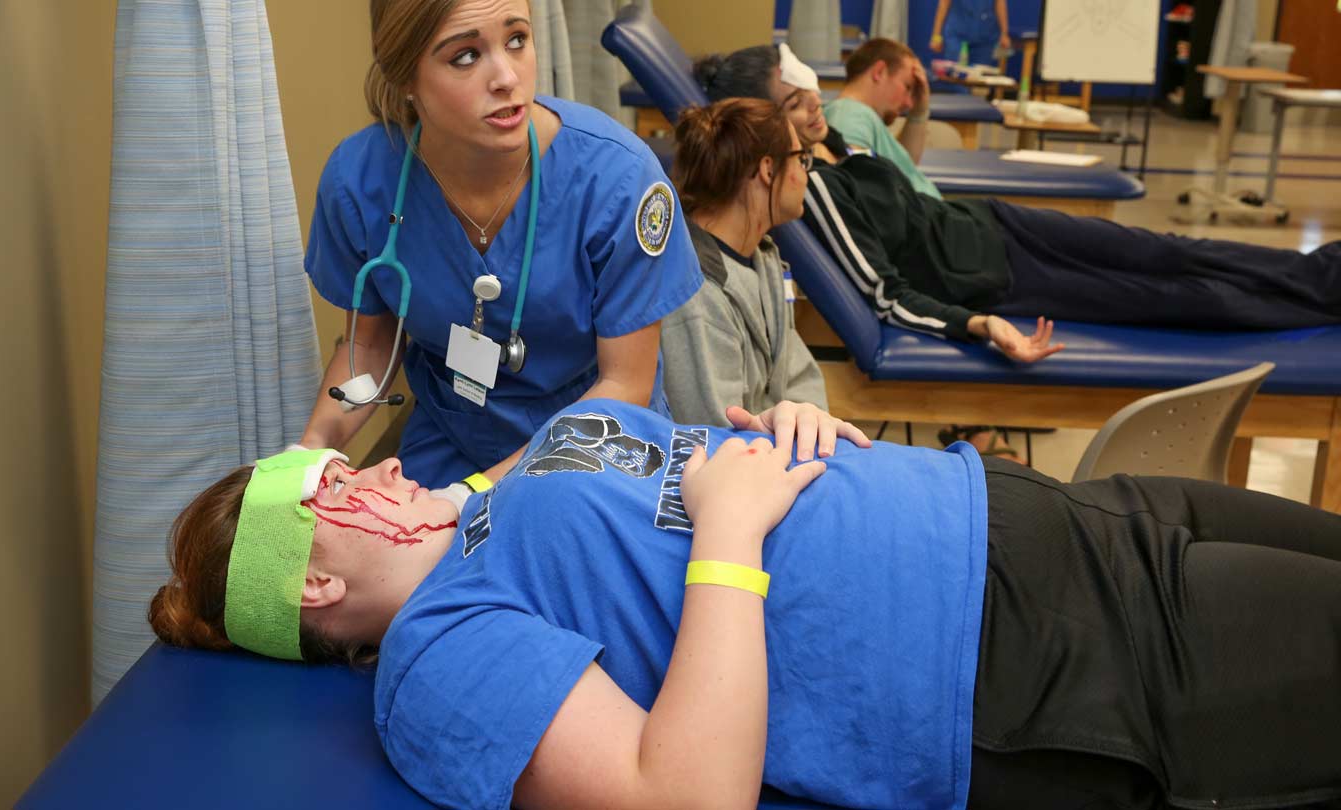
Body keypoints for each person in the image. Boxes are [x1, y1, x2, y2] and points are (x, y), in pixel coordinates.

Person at [151, 398, 1341, 810]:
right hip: (1023, 661)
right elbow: (685, 794)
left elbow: (682, 464)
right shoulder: (436, 658)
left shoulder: (482, 507)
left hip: (1046, 516)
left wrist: (781, 423)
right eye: (345, 488)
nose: (386, 471)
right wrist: (729, 530)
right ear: (311, 581)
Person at [298, 0, 703, 496]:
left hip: (596, 442)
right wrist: (314, 449)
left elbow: (625, 385)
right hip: (455, 436)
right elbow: (370, 345)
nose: (507, 77)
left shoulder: (617, 179)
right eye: (465, 56)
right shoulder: (360, 181)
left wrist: (471, 496)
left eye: (516, 39)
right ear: (403, 76)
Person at [803, 147, 1341, 362]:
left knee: (1168, 252)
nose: (814, 112)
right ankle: (1314, 307)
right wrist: (980, 323)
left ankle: (1323, 273)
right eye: (801, 105)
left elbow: (910, 186)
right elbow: (886, 295)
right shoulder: (815, 189)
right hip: (998, 279)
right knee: (1164, 296)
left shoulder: (836, 144)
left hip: (997, 221)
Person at [660, 99, 827, 426]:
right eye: (801, 159)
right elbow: (712, 435)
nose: (805, 174)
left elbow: (799, 376)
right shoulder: (696, 294)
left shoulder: (762, 257)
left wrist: (815, 432)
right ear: (767, 170)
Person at [693, 42, 856, 166]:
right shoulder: (803, 189)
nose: (817, 102)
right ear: (762, 126)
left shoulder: (828, 138)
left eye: (808, 87)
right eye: (795, 104)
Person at [822, 38, 942, 199]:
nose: (908, 102)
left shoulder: (861, 116)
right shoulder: (849, 116)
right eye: (907, 87)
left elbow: (905, 167)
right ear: (879, 72)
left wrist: (919, 112)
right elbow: (860, 193)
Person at [929, 0, 1012, 68]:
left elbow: (1000, 3)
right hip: (957, 34)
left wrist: (1004, 33)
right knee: (956, 74)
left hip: (985, 36)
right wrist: (936, 35)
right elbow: (944, 4)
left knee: (980, 79)